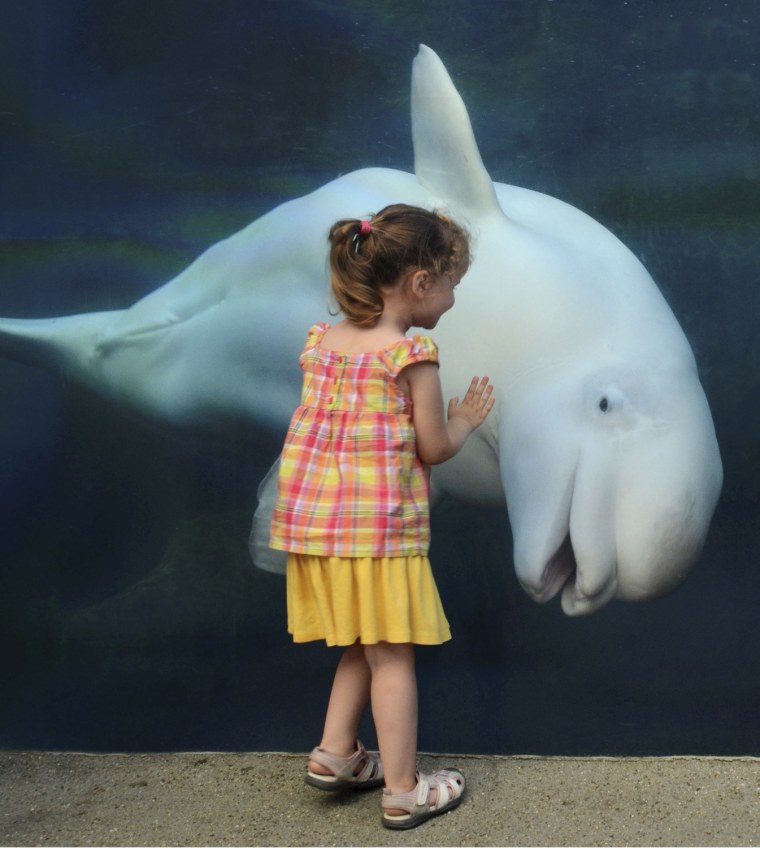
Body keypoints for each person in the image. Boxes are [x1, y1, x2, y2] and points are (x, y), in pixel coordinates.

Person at [269, 203, 494, 830]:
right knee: (392, 657)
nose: (452, 298)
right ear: (422, 283)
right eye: (452, 284)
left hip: (317, 530)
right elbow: (434, 449)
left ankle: (336, 753)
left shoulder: (322, 343)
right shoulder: (411, 355)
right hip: (378, 534)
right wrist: (467, 420)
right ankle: (402, 789)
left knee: (363, 646)